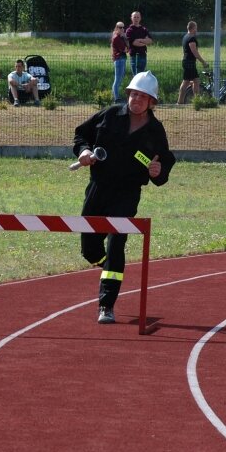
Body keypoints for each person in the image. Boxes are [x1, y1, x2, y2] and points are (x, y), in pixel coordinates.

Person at [72, 71, 176, 324]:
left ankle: (106, 304)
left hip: (127, 194)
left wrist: (157, 172)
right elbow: (81, 135)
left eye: (143, 96)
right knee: (89, 249)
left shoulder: (155, 131)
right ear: (128, 94)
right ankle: (110, 264)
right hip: (98, 188)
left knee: (116, 244)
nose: (137, 100)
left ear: (152, 102)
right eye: (134, 94)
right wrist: (84, 151)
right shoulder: (109, 115)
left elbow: (164, 165)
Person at [177, 20, 208, 104]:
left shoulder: (185, 36)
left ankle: (193, 101)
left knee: (193, 81)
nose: (196, 30)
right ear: (193, 28)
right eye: (196, 28)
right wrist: (203, 62)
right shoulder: (191, 38)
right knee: (189, 81)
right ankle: (186, 101)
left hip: (187, 61)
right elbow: (194, 52)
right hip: (189, 62)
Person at [111, 21, 129, 102]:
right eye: (120, 27)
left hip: (122, 59)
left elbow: (127, 49)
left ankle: (116, 96)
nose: (122, 29)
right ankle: (116, 98)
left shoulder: (121, 37)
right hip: (119, 59)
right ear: (116, 28)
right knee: (117, 80)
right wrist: (126, 46)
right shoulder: (117, 38)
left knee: (119, 79)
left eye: (123, 27)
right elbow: (126, 50)